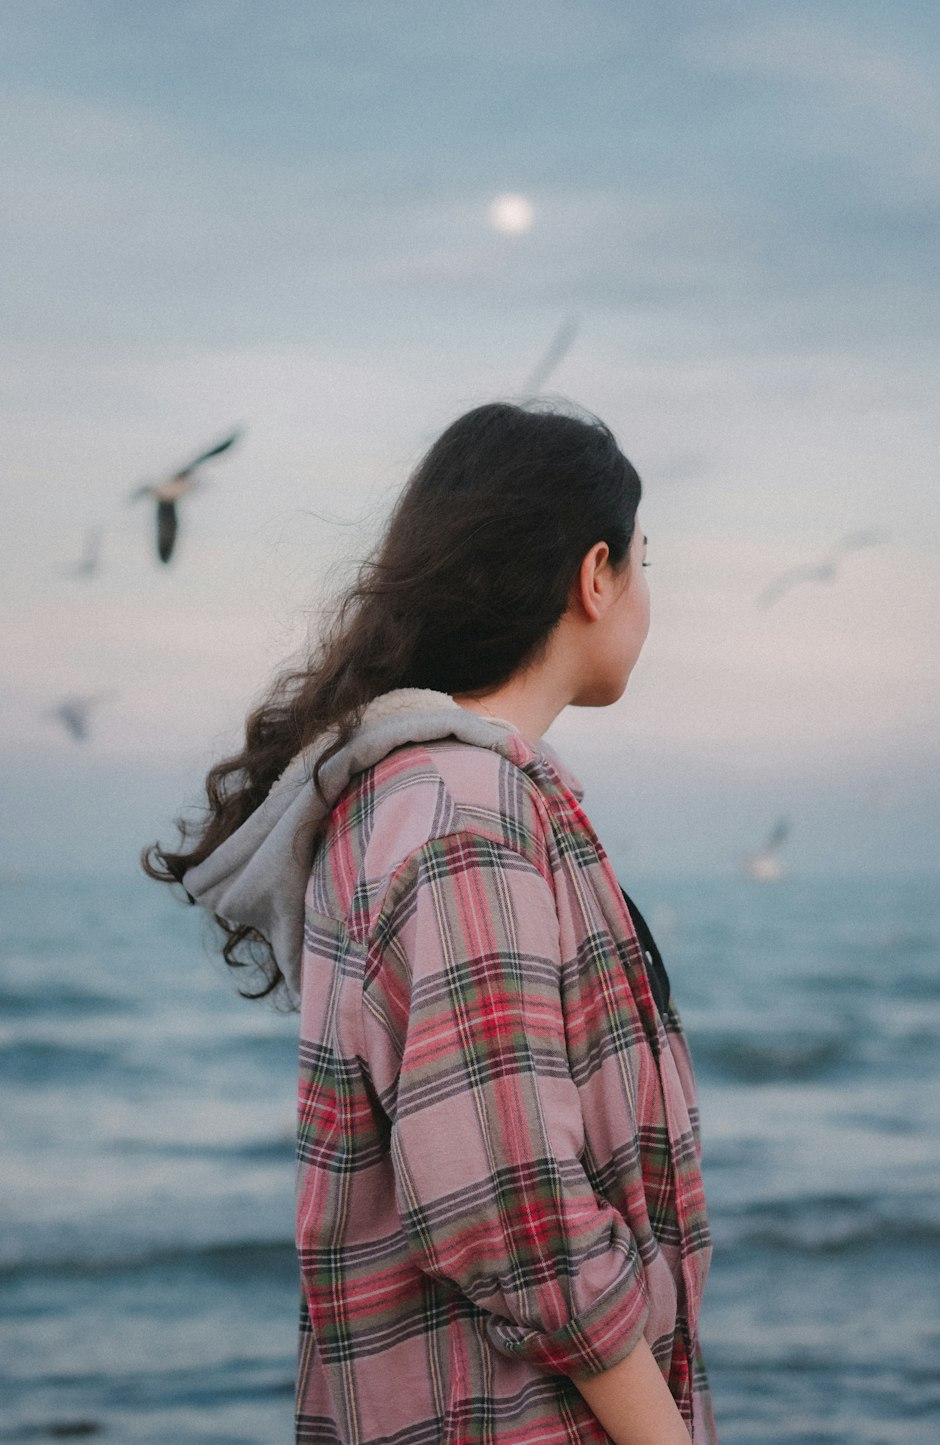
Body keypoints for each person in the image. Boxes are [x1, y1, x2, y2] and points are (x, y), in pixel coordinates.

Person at [144, 402, 716, 1445]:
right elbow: (513, 1212)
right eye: (644, 558)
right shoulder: (462, 812)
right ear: (595, 575)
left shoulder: (419, 797)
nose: (646, 591)